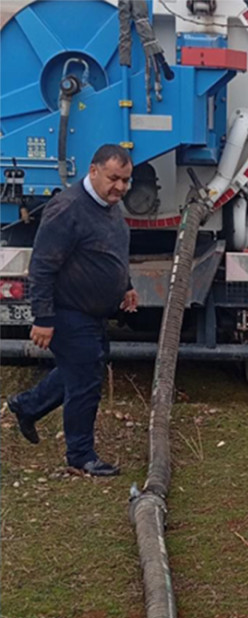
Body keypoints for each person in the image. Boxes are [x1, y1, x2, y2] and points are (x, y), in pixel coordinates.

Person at [6, 144, 137, 477]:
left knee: (81, 370)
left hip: (93, 312)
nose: (120, 187)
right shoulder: (67, 209)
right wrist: (44, 318)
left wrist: (126, 285)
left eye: (125, 180)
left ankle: (27, 406)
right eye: (113, 178)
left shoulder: (109, 207)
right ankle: (80, 455)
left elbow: (111, 252)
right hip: (67, 311)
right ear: (93, 171)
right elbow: (42, 266)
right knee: (85, 382)